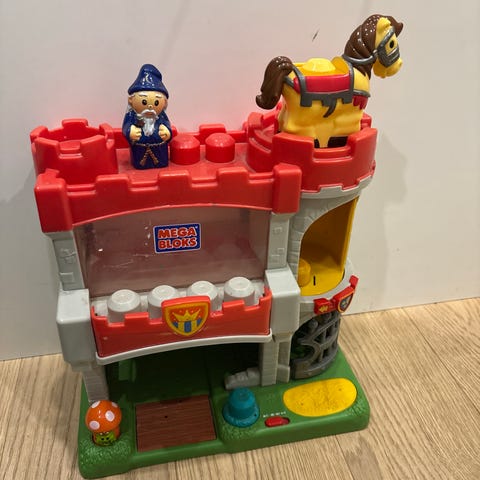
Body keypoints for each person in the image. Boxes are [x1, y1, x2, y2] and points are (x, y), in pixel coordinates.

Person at [122, 64, 172, 169]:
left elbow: (167, 125)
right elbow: (126, 127)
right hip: (139, 150)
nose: (150, 107)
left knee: (161, 163)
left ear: (164, 103)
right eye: (144, 102)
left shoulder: (161, 116)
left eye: (156, 103)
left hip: (159, 150)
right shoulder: (132, 115)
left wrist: (167, 132)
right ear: (131, 100)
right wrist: (130, 131)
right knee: (140, 164)